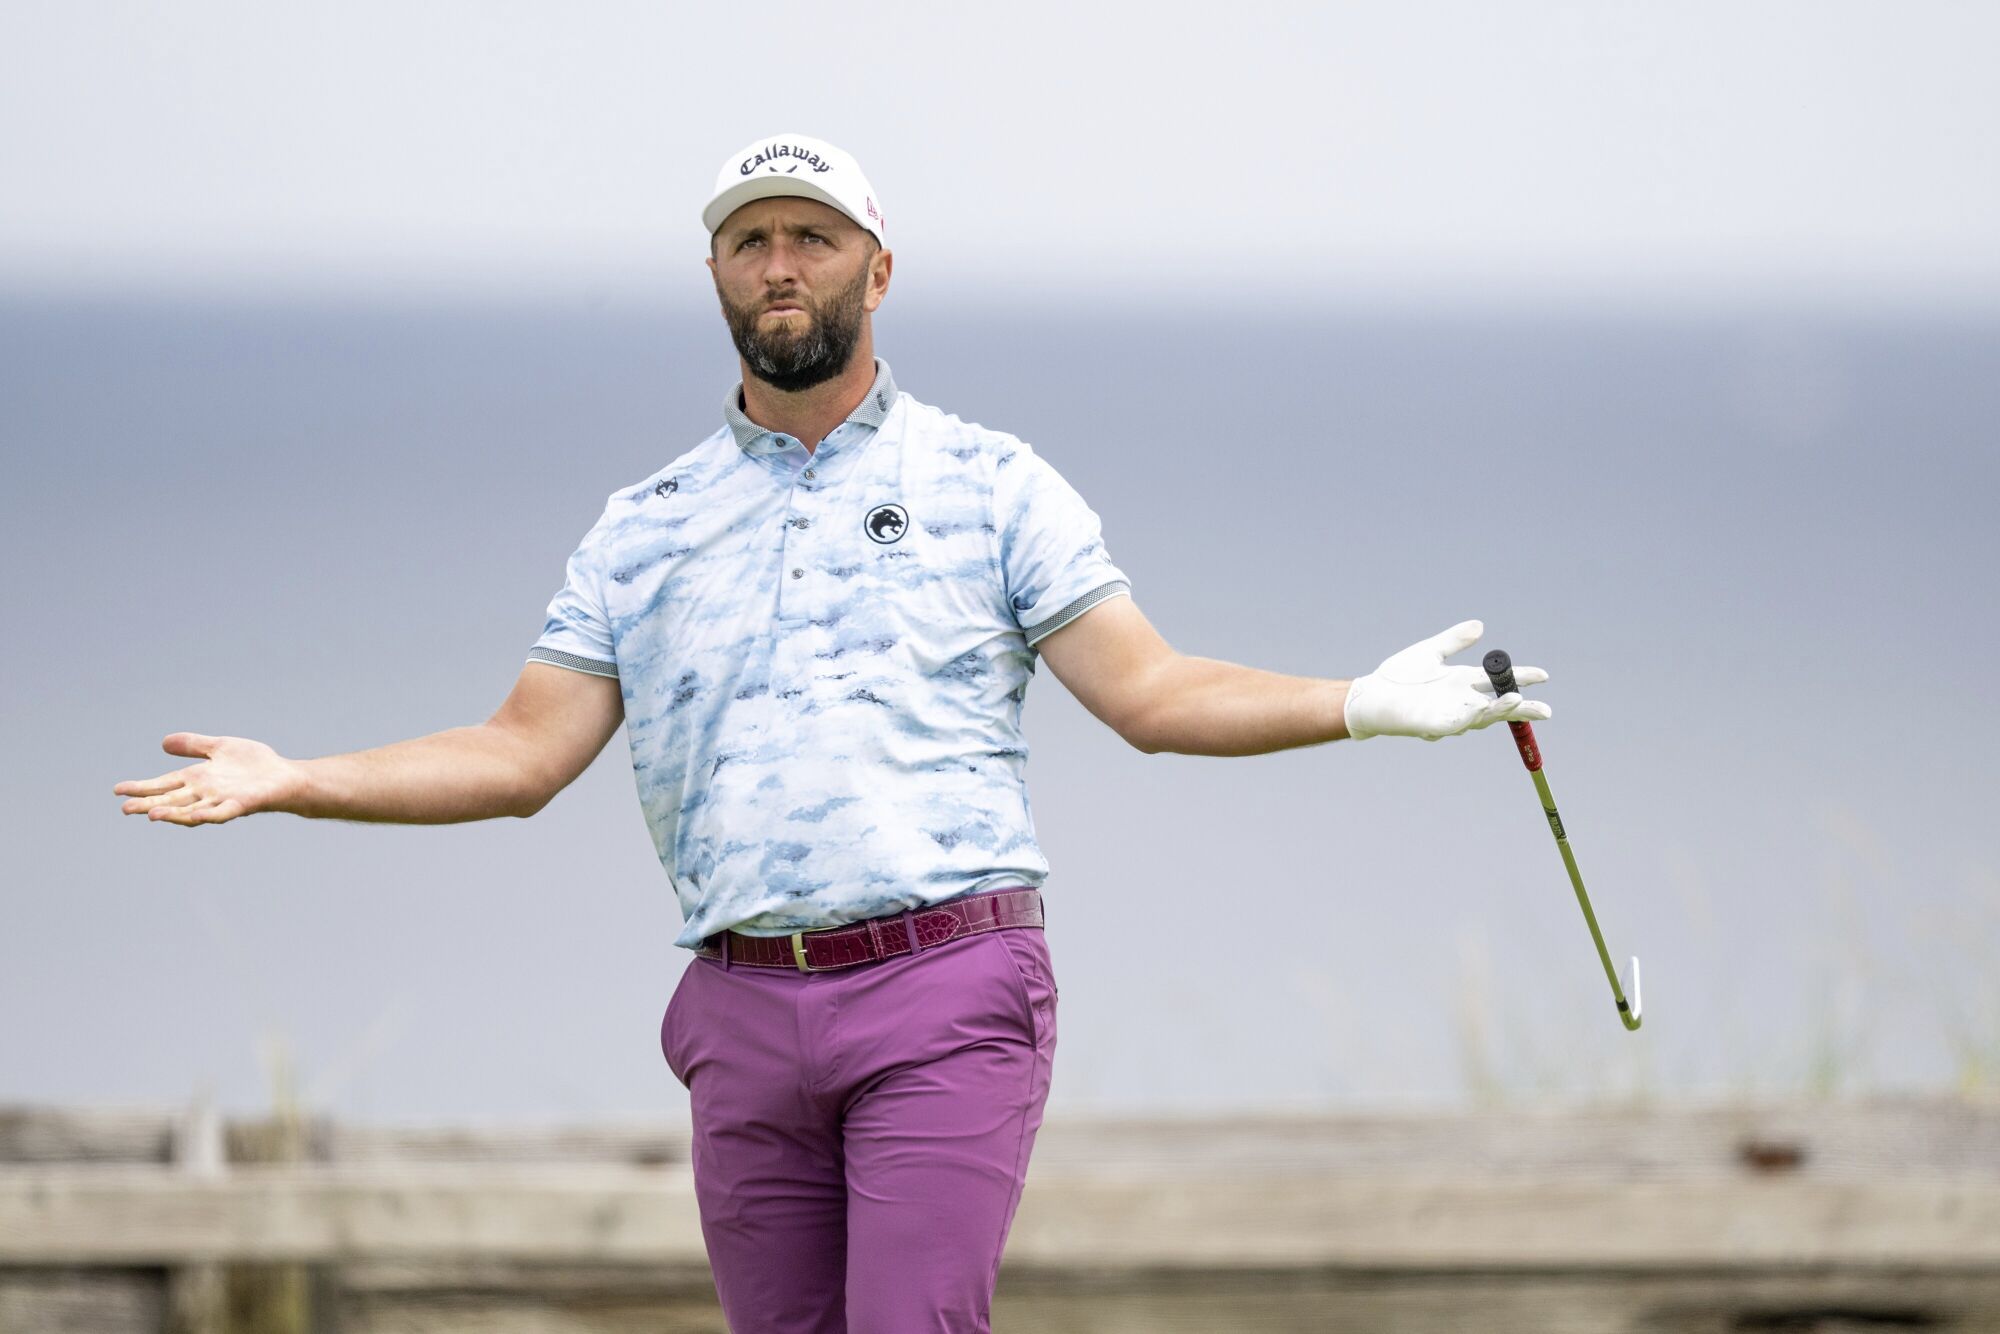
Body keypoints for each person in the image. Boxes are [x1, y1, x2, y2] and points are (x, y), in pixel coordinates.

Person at [112, 131, 1551, 1333]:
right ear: (717, 277)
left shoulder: (991, 483)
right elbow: (520, 753)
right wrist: (297, 777)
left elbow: (1154, 694)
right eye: (749, 241)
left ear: (878, 266)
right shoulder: (644, 527)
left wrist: (1358, 703)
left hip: (946, 985)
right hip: (740, 1008)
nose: (780, 263)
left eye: (812, 235)